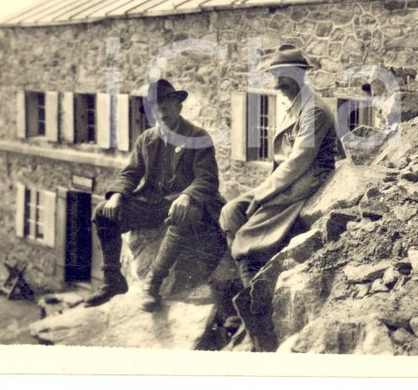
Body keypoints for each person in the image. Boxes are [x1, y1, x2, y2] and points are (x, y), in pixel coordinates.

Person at [84, 79, 225, 312]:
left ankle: (153, 284)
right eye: (156, 110)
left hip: (191, 208)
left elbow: (208, 179)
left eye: (166, 108)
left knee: (184, 214)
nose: (161, 114)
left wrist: (188, 195)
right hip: (153, 204)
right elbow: (131, 172)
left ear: (178, 107)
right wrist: (118, 195)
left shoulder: (198, 137)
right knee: (103, 212)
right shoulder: (147, 139)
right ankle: (112, 280)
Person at [219, 46, 345, 289]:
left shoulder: (314, 110)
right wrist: (262, 191)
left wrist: (262, 194)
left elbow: (300, 159)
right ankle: (250, 289)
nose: (277, 83)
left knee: (248, 233)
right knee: (230, 211)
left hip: (307, 180)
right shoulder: (294, 105)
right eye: (275, 76)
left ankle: (253, 300)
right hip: (287, 179)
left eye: (283, 75)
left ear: (300, 73)